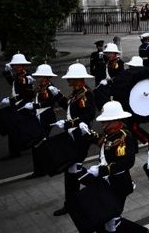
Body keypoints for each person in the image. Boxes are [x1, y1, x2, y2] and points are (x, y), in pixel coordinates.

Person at [82, 100, 136, 232]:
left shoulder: (124, 137)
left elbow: (127, 162)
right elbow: (103, 142)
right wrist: (89, 132)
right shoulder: (111, 133)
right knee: (106, 216)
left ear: (115, 120)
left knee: (113, 220)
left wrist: (103, 170)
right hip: (108, 182)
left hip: (118, 184)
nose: (102, 123)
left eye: (105, 121)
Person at [52, 62, 97, 217]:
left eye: (70, 78)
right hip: (72, 135)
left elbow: (89, 114)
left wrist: (68, 123)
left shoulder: (86, 93)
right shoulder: (75, 93)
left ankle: (99, 189)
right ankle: (72, 203)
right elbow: (70, 108)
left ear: (78, 79)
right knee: (70, 171)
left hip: (80, 137)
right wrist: (57, 95)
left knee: (74, 170)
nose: (67, 80)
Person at [0, 53, 35, 160]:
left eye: (15, 64)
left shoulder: (25, 76)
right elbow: (13, 84)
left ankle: (15, 151)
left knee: (14, 127)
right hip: (18, 104)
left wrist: (11, 99)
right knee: (19, 127)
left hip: (23, 104)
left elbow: (28, 93)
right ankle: (22, 145)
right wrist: (7, 72)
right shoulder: (19, 74)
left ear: (20, 65)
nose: (13, 66)